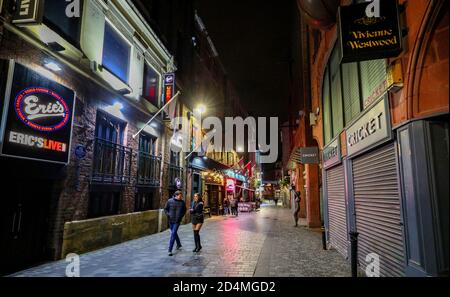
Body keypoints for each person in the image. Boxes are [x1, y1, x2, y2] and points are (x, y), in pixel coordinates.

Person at [164, 190, 187, 256]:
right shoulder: (169, 201)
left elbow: (184, 210)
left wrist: (181, 216)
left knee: (173, 234)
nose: (181, 197)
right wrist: (168, 214)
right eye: (180, 196)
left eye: (181, 196)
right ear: (176, 195)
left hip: (177, 221)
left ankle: (170, 250)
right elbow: (165, 209)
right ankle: (179, 244)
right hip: (171, 220)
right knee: (174, 233)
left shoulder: (182, 202)